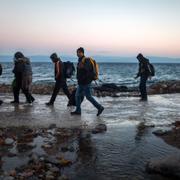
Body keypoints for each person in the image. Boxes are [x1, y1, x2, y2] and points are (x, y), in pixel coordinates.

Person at [71, 47, 104, 116]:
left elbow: (88, 71)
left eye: (79, 52)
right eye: (77, 52)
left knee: (88, 97)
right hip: (81, 83)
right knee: (77, 96)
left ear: (82, 53)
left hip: (86, 82)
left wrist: (83, 77)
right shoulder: (80, 60)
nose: (78, 54)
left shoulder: (86, 60)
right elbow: (80, 71)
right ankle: (78, 111)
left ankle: (100, 107)